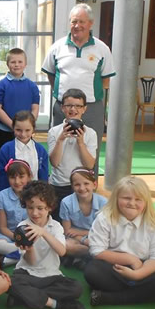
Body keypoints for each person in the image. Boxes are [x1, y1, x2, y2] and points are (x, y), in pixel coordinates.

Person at [84, 176, 155, 307]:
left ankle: (110, 298)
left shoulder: (153, 223)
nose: (132, 203)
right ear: (116, 198)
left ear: (146, 202)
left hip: (144, 268)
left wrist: (137, 275)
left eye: (138, 199)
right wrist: (131, 260)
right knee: (93, 271)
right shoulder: (104, 218)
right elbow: (97, 251)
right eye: (126, 198)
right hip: (115, 265)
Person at [41, 3, 116, 175]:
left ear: (90, 23)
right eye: (74, 21)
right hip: (62, 107)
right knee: (60, 144)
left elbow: (106, 81)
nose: (77, 26)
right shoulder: (57, 47)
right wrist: (64, 98)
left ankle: (90, 185)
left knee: (90, 147)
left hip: (92, 108)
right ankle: (60, 183)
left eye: (82, 21)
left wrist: (87, 99)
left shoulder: (102, 48)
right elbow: (51, 74)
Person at [5, 181, 87, 309]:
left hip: (51, 275)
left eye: (40, 208)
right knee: (10, 284)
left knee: (77, 288)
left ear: (49, 207)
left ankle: (25, 297)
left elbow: (62, 251)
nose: (35, 213)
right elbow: (31, 262)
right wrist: (29, 248)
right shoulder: (23, 227)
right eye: (30, 208)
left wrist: (43, 232)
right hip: (27, 274)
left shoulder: (55, 227)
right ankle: (56, 304)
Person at [47, 88, 97, 221]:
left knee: (78, 223)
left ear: (84, 109)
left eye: (78, 106)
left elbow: (89, 165)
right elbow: (55, 163)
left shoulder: (90, 133)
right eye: (69, 105)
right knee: (57, 223)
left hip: (81, 186)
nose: (73, 109)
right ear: (63, 108)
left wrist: (81, 143)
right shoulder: (54, 131)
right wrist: (61, 140)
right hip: (59, 185)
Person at [0, 48, 40, 152]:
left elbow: (35, 108)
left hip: (25, 132)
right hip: (5, 131)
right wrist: (14, 126)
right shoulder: (0, 86)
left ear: (25, 64)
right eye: (13, 62)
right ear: (7, 64)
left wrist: (28, 125)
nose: (16, 65)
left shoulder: (32, 86)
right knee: (3, 159)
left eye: (20, 62)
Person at [59, 167, 107, 268]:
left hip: (97, 236)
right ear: (72, 186)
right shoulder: (66, 202)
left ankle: (78, 258)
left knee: (108, 245)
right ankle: (89, 258)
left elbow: (105, 232)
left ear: (94, 185)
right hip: (75, 238)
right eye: (77, 184)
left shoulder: (103, 203)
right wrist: (83, 240)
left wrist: (83, 234)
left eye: (86, 183)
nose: (82, 188)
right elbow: (67, 230)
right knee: (66, 245)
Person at [0, 110, 49, 193]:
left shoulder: (40, 150)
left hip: (34, 195)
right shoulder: (6, 149)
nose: (23, 134)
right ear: (13, 128)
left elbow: (43, 176)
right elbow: (1, 176)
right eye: (18, 130)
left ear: (33, 129)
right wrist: (1, 195)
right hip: (12, 194)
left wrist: (43, 194)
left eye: (27, 130)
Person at [0, 159, 32, 266]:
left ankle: (8, 260)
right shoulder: (1, 196)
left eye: (21, 177)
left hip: (31, 235)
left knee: (42, 244)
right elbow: (3, 228)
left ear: (29, 176)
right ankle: (26, 256)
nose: (17, 181)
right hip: (8, 235)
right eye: (12, 177)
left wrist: (27, 239)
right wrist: (19, 239)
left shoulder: (34, 195)